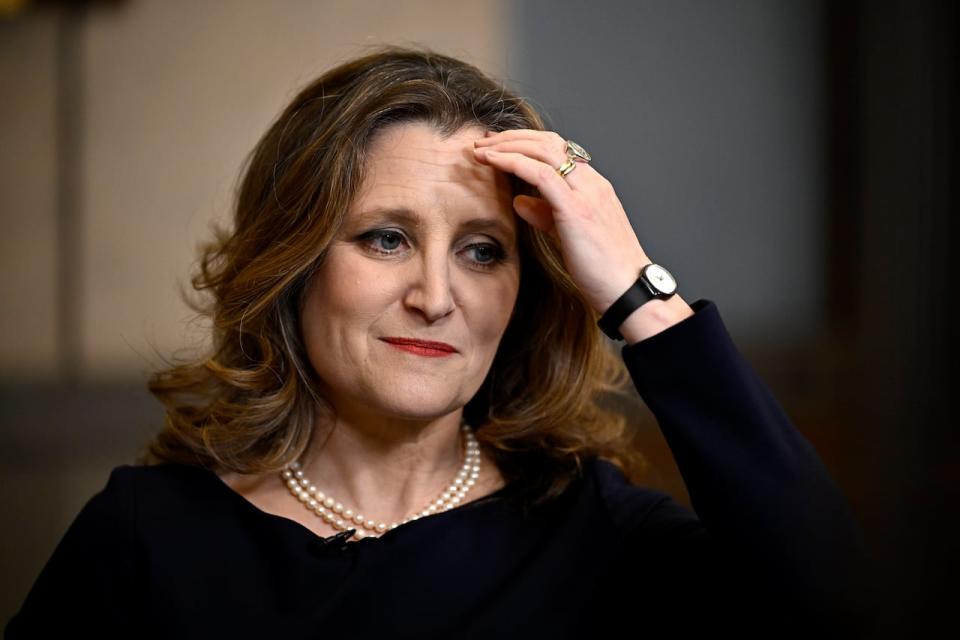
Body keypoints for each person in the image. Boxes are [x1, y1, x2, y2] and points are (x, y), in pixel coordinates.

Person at [5, 45, 875, 638]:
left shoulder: (600, 538)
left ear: (524, 290)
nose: (435, 297)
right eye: (385, 238)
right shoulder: (142, 538)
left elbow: (837, 604)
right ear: (295, 264)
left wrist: (638, 291)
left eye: (483, 251)